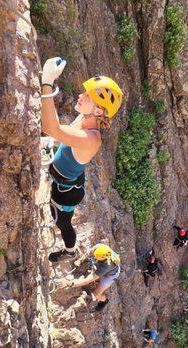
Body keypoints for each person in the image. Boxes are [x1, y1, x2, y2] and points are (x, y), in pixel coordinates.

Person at [41, 57, 123, 263]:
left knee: (62, 222)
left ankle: (70, 251)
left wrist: (47, 83)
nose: (80, 96)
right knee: (56, 213)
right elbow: (62, 134)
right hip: (67, 183)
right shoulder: (84, 120)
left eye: (86, 96)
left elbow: (53, 128)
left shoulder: (91, 139)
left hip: (66, 192)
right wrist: (53, 143)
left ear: (97, 110)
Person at [66, 243, 121, 311]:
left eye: (96, 257)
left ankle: (104, 301)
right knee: (91, 261)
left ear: (103, 258)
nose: (94, 257)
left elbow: (89, 280)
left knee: (96, 294)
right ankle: (97, 272)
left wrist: (71, 283)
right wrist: (80, 260)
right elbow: (89, 252)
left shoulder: (107, 265)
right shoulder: (100, 247)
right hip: (102, 264)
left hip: (111, 274)